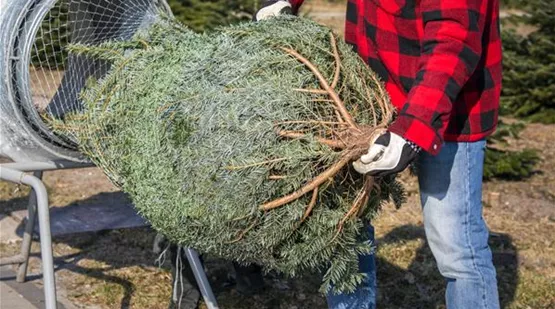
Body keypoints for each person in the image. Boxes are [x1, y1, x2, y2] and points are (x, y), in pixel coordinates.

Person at [255, 1, 502, 308]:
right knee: (346, 225)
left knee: (456, 245)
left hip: (451, 105)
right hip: (374, 92)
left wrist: (412, 131)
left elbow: (452, 41)